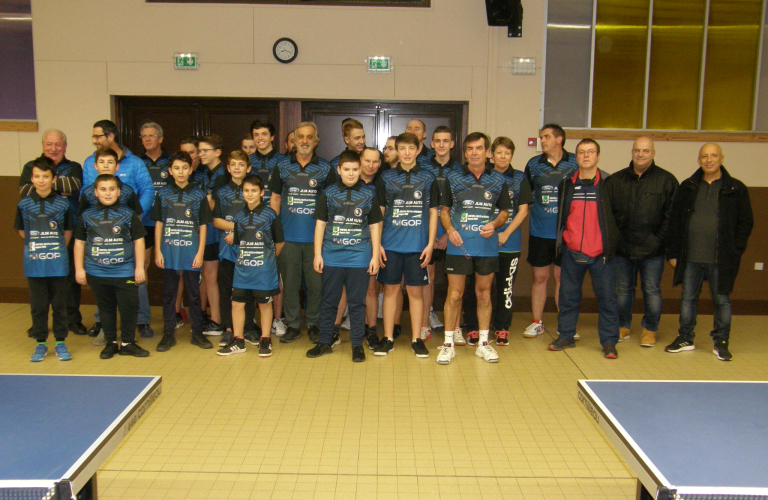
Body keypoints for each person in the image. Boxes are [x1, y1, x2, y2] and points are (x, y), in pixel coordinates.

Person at [665, 143, 753, 361]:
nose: (709, 160)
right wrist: (674, 252)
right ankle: (685, 337)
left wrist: (735, 249)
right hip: (691, 257)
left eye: (713, 156)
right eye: (704, 156)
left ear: (721, 158)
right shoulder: (688, 186)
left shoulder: (736, 189)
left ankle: (721, 341)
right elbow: (675, 222)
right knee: (687, 299)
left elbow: (746, 223)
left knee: (722, 300)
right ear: (699, 160)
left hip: (721, 258)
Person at [437, 132, 510, 365]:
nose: (474, 153)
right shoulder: (454, 178)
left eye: (479, 148)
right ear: (465, 152)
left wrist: (494, 224)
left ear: (487, 152)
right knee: (454, 294)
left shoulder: (498, 180)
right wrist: (449, 231)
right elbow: (445, 212)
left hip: (487, 247)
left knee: (484, 294)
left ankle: (483, 344)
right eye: (470, 149)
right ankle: (448, 345)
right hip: (459, 247)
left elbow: (505, 212)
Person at [307, 150, 383, 362]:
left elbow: (375, 227)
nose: (351, 174)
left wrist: (375, 256)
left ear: (360, 170)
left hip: (359, 256)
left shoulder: (369, 194)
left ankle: (357, 345)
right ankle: (324, 342)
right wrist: (317, 254)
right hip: (331, 255)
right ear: (338, 170)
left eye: (355, 170)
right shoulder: (329, 193)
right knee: (329, 301)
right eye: (346, 170)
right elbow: (320, 224)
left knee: (357, 303)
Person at [547, 139, 620, 359]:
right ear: (576, 156)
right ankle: (566, 336)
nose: (586, 156)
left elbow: (618, 218)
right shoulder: (567, 184)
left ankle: (609, 342)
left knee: (607, 300)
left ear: (598, 156)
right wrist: (563, 245)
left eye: (590, 152)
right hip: (572, 252)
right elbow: (562, 217)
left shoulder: (609, 184)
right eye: (581, 152)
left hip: (601, 255)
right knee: (568, 298)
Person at [82, 120, 154, 338]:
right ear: (96, 166)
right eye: (101, 163)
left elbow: (148, 189)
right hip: (99, 240)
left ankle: (141, 320)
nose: (94, 140)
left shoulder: (134, 164)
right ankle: (103, 322)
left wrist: (137, 216)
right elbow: (85, 196)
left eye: (98, 136)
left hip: (128, 238)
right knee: (102, 280)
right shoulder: (88, 164)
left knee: (135, 275)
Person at [604, 137, 678, 347]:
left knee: (651, 290)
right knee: (623, 290)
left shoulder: (667, 181)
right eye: (637, 150)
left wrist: (658, 241)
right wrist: (615, 241)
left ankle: (650, 329)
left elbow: (671, 217)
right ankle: (623, 325)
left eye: (645, 151)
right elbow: (608, 215)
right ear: (632, 152)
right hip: (622, 249)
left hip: (653, 250)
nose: (641, 154)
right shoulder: (616, 181)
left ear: (653, 153)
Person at [269, 122, 334, 343]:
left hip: (316, 239)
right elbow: (275, 198)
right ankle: (293, 325)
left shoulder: (326, 168)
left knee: (316, 286)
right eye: (300, 137)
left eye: (309, 137)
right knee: (290, 285)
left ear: (316, 142)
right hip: (288, 238)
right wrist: (275, 231)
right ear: (293, 141)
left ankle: (314, 324)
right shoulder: (282, 167)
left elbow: (332, 202)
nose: (304, 141)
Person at [375, 132, 438, 358]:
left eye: (411, 148)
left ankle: (417, 339)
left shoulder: (429, 178)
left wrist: (430, 244)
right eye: (402, 149)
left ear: (418, 150)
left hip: (417, 247)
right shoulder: (386, 177)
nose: (407, 153)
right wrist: (378, 244)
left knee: (415, 293)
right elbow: (380, 213)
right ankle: (388, 338)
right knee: (390, 290)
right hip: (390, 245)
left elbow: (433, 213)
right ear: (397, 151)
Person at [73, 173, 149, 359]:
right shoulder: (87, 215)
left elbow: (139, 241)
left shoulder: (128, 214)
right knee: (105, 309)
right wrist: (79, 269)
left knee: (129, 308)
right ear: (96, 192)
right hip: (96, 272)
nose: (108, 193)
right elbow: (79, 243)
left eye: (112, 189)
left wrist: (139, 268)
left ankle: (128, 343)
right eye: (103, 189)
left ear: (119, 192)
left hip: (125, 272)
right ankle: (110, 343)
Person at [18, 129, 84, 336]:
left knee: (69, 278)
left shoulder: (73, 167)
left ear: (65, 146)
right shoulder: (29, 166)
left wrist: (48, 188)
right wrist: (55, 188)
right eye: (49, 144)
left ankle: (72, 319)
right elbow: (25, 191)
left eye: (58, 145)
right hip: (38, 234)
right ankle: (39, 324)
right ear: (42, 145)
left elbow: (74, 187)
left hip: (67, 231)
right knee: (40, 281)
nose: (53, 149)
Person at [217, 174, 284, 357]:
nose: (250, 194)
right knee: (237, 303)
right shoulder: (239, 216)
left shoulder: (270, 215)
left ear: (262, 192)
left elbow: (279, 242)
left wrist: (268, 260)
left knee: (264, 304)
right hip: (242, 270)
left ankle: (265, 340)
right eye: (246, 190)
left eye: (254, 190)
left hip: (264, 271)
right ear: (242, 193)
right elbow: (239, 242)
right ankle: (238, 341)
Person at [152, 151, 213, 352]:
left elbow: (203, 225)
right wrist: (158, 251)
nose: (181, 172)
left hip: (191, 252)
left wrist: (200, 253)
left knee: (194, 295)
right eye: (176, 168)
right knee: (169, 294)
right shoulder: (163, 194)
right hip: (168, 252)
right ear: (170, 171)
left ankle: (197, 333)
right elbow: (159, 223)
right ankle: (168, 333)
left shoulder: (198, 194)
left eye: (185, 168)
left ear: (191, 170)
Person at [16, 157, 75, 361]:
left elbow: (67, 231)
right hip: (34, 265)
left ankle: (60, 342)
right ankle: (40, 343)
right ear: (31, 179)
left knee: (60, 305)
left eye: (46, 176)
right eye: (37, 176)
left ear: (54, 178)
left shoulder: (62, 203)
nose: (41, 180)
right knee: (38, 306)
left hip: (57, 264)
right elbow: (22, 231)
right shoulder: (24, 204)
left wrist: (55, 248)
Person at [523, 124, 579, 339]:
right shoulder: (534, 164)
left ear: (559, 139)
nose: (542, 141)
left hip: (567, 233)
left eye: (546, 137)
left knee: (562, 277)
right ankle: (536, 322)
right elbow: (526, 197)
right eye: (541, 137)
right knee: (540, 277)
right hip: (540, 231)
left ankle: (564, 326)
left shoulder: (574, 162)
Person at [212, 150, 258, 347]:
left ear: (248, 168)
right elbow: (216, 221)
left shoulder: (254, 190)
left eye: (242, 165)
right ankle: (229, 328)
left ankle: (248, 326)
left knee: (248, 290)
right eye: (234, 165)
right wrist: (235, 229)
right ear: (228, 168)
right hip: (227, 250)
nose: (237, 168)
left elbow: (259, 219)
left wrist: (238, 232)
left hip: (250, 250)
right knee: (227, 289)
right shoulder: (222, 192)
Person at [419, 126, 461, 342]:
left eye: (446, 140)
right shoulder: (423, 168)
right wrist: (433, 235)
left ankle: (456, 327)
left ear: (452, 144)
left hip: (454, 234)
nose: (442, 144)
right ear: (432, 144)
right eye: (438, 141)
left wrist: (448, 233)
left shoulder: (461, 170)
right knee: (429, 277)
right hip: (430, 233)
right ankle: (425, 322)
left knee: (457, 283)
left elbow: (462, 207)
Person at [489, 137, 532, 344]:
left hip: (510, 243)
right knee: (481, 287)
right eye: (499, 153)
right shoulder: (484, 176)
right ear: (492, 155)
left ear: (512, 156)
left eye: (507, 153)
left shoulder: (519, 178)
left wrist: (505, 233)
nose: (503, 157)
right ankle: (479, 325)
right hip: (485, 242)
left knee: (505, 288)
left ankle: (502, 327)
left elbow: (523, 210)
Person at [249, 120, 288, 337]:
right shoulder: (248, 161)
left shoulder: (282, 161)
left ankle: (277, 319)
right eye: (256, 134)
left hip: (273, 223)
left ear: (272, 137)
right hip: (250, 224)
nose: (260, 138)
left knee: (276, 275)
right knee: (252, 271)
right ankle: (254, 319)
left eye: (264, 134)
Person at [137, 121, 171, 339]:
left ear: (160, 138)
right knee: (143, 268)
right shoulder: (137, 163)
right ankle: (143, 319)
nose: (147, 139)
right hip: (145, 224)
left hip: (171, 225)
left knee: (172, 270)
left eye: (151, 136)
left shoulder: (171, 161)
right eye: (144, 136)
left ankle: (174, 315)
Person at [197, 134, 227, 336]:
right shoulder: (204, 173)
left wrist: (205, 201)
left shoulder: (222, 175)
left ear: (217, 152)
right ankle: (207, 316)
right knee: (206, 277)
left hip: (216, 234)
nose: (200, 154)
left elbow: (213, 205)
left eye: (204, 150)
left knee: (211, 276)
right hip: (205, 232)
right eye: (199, 151)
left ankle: (217, 321)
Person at [359, 147, 386, 348]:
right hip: (348, 244)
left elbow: (380, 218)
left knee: (370, 288)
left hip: (371, 244)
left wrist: (376, 245)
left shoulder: (382, 183)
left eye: (375, 162)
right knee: (343, 288)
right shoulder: (346, 180)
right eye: (367, 161)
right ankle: (333, 330)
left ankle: (371, 331)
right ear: (360, 160)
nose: (371, 165)